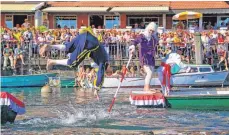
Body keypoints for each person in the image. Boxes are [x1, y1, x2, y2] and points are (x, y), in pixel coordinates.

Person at [39, 27, 109, 97]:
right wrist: (97, 89)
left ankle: (50, 46)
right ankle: (52, 61)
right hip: (89, 44)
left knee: (68, 47)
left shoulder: (101, 56)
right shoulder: (104, 62)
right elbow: (101, 73)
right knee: (72, 63)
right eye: (108, 71)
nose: (108, 72)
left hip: (85, 35)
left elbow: (93, 63)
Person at [129, 22, 159, 92]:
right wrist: (133, 47)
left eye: (152, 31)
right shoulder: (142, 36)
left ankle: (147, 87)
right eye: (150, 30)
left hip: (151, 57)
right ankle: (146, 88)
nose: (151, 32)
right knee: (149, 72)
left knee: (151, 73)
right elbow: (135, 41)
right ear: (148, 29)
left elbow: (155, 46)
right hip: (144, 56)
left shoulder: (153, 39)